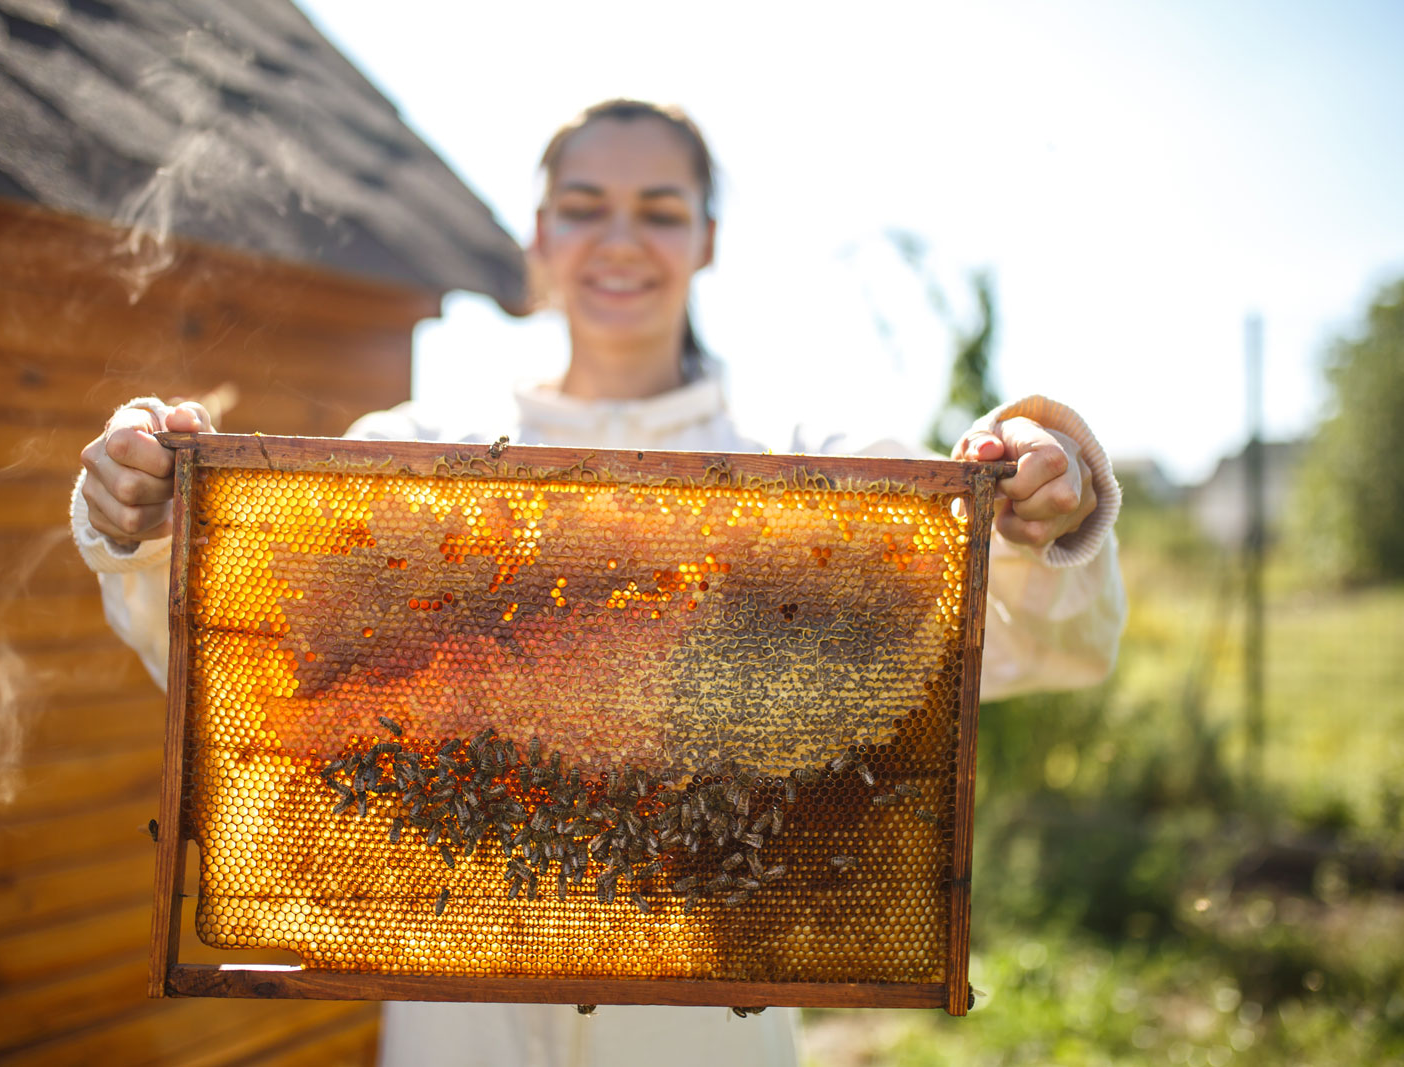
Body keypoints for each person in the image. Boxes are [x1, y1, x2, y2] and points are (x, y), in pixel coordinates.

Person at [72, 99, 1125, 1067]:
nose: (620, 238)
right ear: (538, 237)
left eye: (659, 211)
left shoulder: (814, 466)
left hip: (713, 1013)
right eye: (584, 207)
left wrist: (1043, 509)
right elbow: (235, 662)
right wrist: (152, 522)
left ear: (706, 239)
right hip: (456, 1000)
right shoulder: (411, 455)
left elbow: (1015, 637)